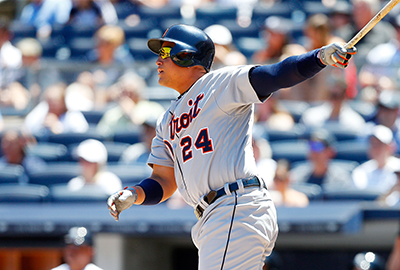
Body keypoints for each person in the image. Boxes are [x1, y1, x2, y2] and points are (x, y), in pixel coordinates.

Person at [106, 23, 357, 269]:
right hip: (216, 215)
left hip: (234, 205)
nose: (158, 61)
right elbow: (164, 181)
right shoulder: (166, 120)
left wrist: (319, 57)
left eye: (165, 53)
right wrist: (134, 194)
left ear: (187, 56)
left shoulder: (220, 84)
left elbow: (274, 75)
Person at [289, 129, 354, 190]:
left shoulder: (341, 178)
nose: (313, 151)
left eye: (317, 146)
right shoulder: (297, 176)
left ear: (330, 152)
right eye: (311, 145)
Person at [23, 83, 89, 137]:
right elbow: (27, 128)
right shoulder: (42, 110)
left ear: (62, 102)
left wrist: (58, 128)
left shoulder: (73, 115)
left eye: (55, 101)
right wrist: (41, 126)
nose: (51, 105)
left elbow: (81, 135)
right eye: (49, 101)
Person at [352, 125, 400, 194]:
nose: (375, 148)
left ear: (390, 147)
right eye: (372, 144)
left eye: (379, 144)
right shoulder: (360, 172)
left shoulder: (398, 167)